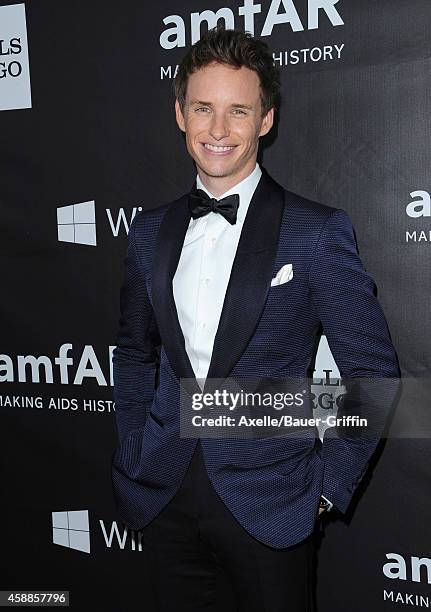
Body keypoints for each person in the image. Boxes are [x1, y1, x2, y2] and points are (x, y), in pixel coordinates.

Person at [111, 25, 400, 611]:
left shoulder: (315, 232)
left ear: (264, 120)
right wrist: (134, 448)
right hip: (164, 493)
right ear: (180, 114)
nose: (218, 130)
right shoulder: (148, 232)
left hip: (273, 502)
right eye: (203, 108)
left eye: (238, 111)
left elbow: (371, 374)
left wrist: (323, 491)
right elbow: (135, 352)